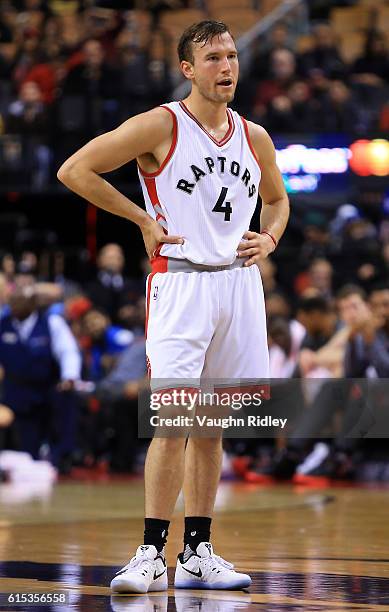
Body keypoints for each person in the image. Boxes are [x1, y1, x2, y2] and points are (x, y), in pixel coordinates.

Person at [57, 20, 289, 594]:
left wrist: (272, 237)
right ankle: (148, 553)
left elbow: (278, 198)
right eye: (213, 58)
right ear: (188, 68)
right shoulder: (162, 124)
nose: (227, 67)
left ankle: (198, 552)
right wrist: (140, 219)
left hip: (239, 286)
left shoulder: (253, 135)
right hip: (181, 284)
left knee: (211, 429)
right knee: (173, 423)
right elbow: (74, 170)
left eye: (232, 56)